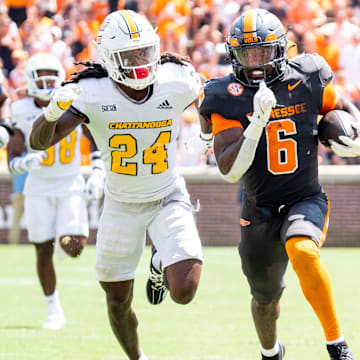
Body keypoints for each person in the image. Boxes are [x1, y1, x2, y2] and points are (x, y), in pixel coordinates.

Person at [29, 10, 203, 360]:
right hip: (121, 204)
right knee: (117, 300)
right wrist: (50, 112)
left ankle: (160, 263)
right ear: (109, 59)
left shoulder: (177, 78)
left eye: (145, 52)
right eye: (130, 56)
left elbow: (212, 101)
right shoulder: (91, 91)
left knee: (184, 289)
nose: (141, 62)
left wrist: (208, 132)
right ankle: (137, 357)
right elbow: (37, 142)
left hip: (167, 195)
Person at [199, 9, 357, 360]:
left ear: (281, 49)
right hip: (258, 210)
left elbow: (343, 109)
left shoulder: (308, 76)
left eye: (263, 52)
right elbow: (230, 171)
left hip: (304, 196)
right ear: (233, 55)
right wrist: (257, 122)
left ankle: (336, 343)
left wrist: (355, 139)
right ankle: (271, 351)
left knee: (302, 250)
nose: (255, 63)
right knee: (265, 299)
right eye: (247, 54)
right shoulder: (227, 94)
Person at [7, 52, 104, 330]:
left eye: (52, 75)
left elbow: (94, 140)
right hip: (38, 186)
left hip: (70, 181)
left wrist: (97, 173)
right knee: (41, 250)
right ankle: (53, 309)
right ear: (29, 79)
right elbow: (12, 158)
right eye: (41, 75)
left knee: (74, 247)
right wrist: (23, 162)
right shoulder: (21, 109)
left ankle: (64, 238)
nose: (48, 81)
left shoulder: (71, 103)